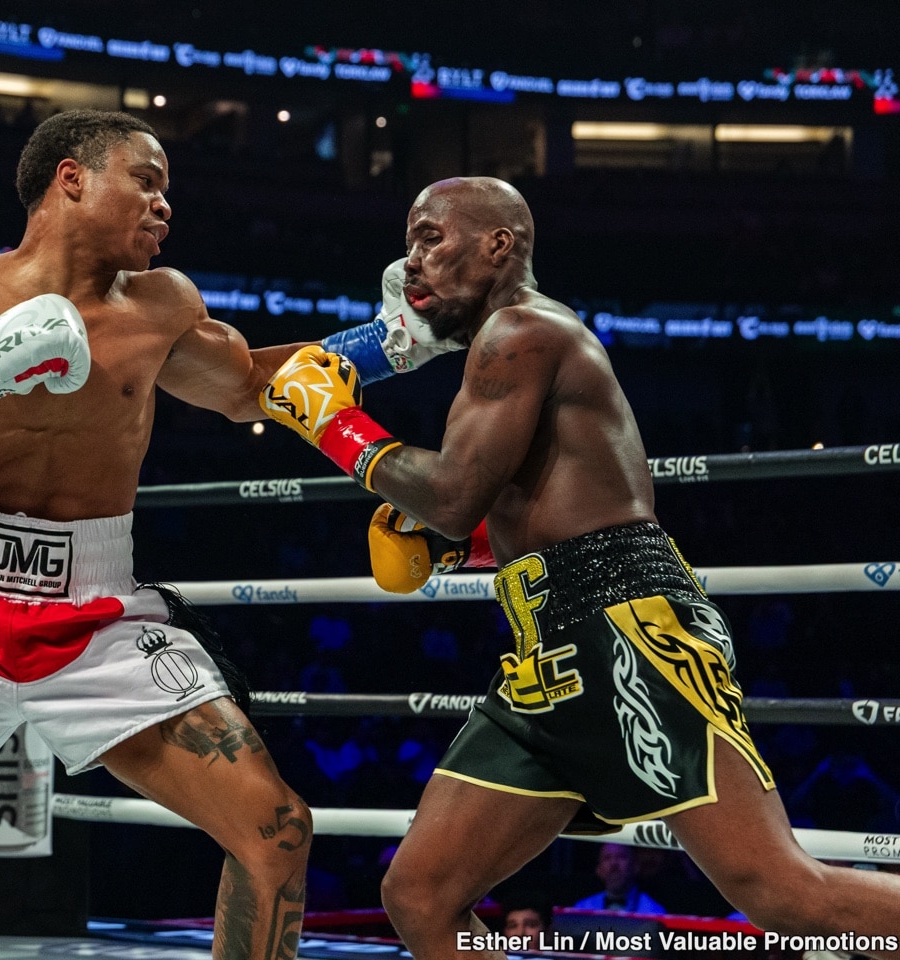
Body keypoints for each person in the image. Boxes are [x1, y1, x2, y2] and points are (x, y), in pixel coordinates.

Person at [0, 110, 457, 960]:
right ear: (72, 178)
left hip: (98, 617)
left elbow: (250, 384)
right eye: (148, 181)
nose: (165, 206)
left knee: (277, 832)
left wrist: (392, 345)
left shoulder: (163, 305)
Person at [259, 176, 900, 959]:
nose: (413, 258)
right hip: (547, 646)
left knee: (783, 892)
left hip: (632, 629)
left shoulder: (522, 331)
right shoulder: (507, 348)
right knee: (422, 893)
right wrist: (472, 547)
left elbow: (457, 494)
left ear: (500, 243)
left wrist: (334, 423)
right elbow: (550, 503)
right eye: (410, 240)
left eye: (432, 235)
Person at [571, 843, 665, 914]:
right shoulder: (582, 908)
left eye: (621, 857)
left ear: (635, 866)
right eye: (607, 858)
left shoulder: (653, 910)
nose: (614, 864)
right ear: (598, 869)